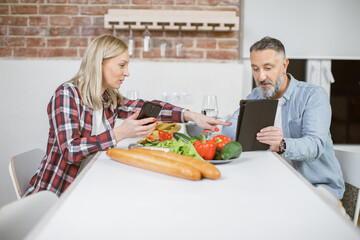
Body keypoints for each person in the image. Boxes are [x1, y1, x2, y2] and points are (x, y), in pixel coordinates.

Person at [24, 34, 231, 197]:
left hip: (91, 184)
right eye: (121, 65)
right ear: (99, 63)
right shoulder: (67, 94)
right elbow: (70, 151)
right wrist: (119, 133)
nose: (127, 72)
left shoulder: (108, 98)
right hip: (59, 195)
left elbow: (148, 107)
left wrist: (191, 115)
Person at [222, 36, 345, 199]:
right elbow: (230, 129)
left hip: (315, 187)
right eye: (255, 69)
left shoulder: (313, 95)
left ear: (284, 65)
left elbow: (315, 145)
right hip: (274, 184)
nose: (260, 77)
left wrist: (282, 144)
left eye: (268, 68)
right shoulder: (256, 96)